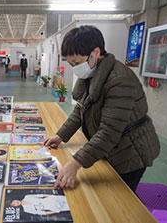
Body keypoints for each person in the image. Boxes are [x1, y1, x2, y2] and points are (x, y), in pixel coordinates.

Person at [44, 25, 160, 192]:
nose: (75, 68)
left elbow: (110, 131)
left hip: (130, 151)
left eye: (77, 62)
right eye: (71, 64)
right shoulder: (92, 73)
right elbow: (81, 110)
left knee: (120, 200)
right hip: (111, 147)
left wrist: (75, 163)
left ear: (96, 52)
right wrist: (61, 135)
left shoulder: (120, 80)